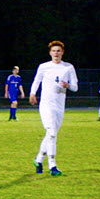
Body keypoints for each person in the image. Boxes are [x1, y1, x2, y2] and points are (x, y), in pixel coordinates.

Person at [29, 40, 78, 176]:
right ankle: (52, 165)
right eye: (54, 51)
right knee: (51, 133)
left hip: (59, 105)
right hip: (46, 104)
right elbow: (36, 80)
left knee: (52, 134)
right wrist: (32, 93)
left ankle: (39, 159)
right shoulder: (44, 67)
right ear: (50, 53)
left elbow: (75, 87)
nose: (56, 53)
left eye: (58, 51)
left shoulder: (68, 67)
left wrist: (67, 85)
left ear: (62, 52)